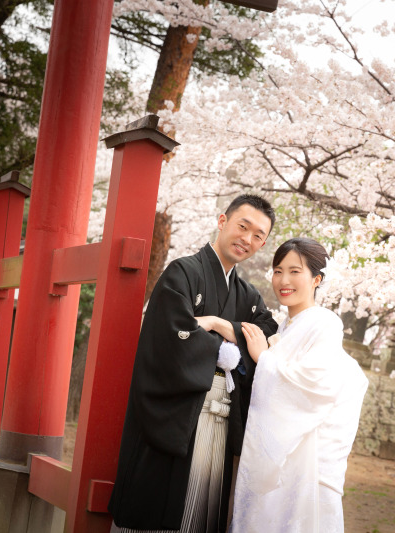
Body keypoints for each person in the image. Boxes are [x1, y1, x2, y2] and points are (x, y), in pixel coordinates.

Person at [109, 195, 280, 533]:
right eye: (242, 227)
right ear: (222, 221)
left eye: (259, 235)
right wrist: (225, 350)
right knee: (159, 510)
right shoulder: (183, 272)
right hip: (178, 416)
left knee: (204, 508)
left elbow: (268, 332)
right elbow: (170, 333)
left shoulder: (247, 294)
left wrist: (216, 324)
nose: (248, 239)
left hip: (220, 420)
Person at [232, 238, 369, 533]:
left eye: (295, 272)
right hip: (284, 452)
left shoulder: (324, 322)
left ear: (316, 279)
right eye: (278, 271)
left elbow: (313, 385)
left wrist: (263, 358)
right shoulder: (285, 326)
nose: (283, 280)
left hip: (308, 457)